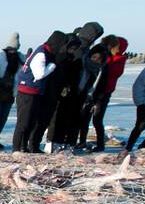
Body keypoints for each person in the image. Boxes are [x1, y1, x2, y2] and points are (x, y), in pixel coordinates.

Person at [44, 22, 104, 152]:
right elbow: (68, 67)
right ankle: (54, 142)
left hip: (78, 90)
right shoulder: (78, 47)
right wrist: (67, 85)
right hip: (68, 89)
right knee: (60, 117)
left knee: (73, 118)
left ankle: (67, 143)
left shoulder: (86, 49)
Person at [12, 30, 67, 153]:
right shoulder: (42, 53)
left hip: (35, 92)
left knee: (31, 122)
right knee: (23, 123)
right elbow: (39, 74)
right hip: (27, 91)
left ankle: (24, 147)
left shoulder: (46, 51)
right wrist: (52, 66)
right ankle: (16, 149)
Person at [80, 35, 128, 151]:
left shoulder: (118, 60)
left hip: (104, 93)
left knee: (97, 119)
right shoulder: (107, 56)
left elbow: (113, 73)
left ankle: (100, 144)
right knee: (85, 117)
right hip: (94, 91)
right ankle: (82, 141)